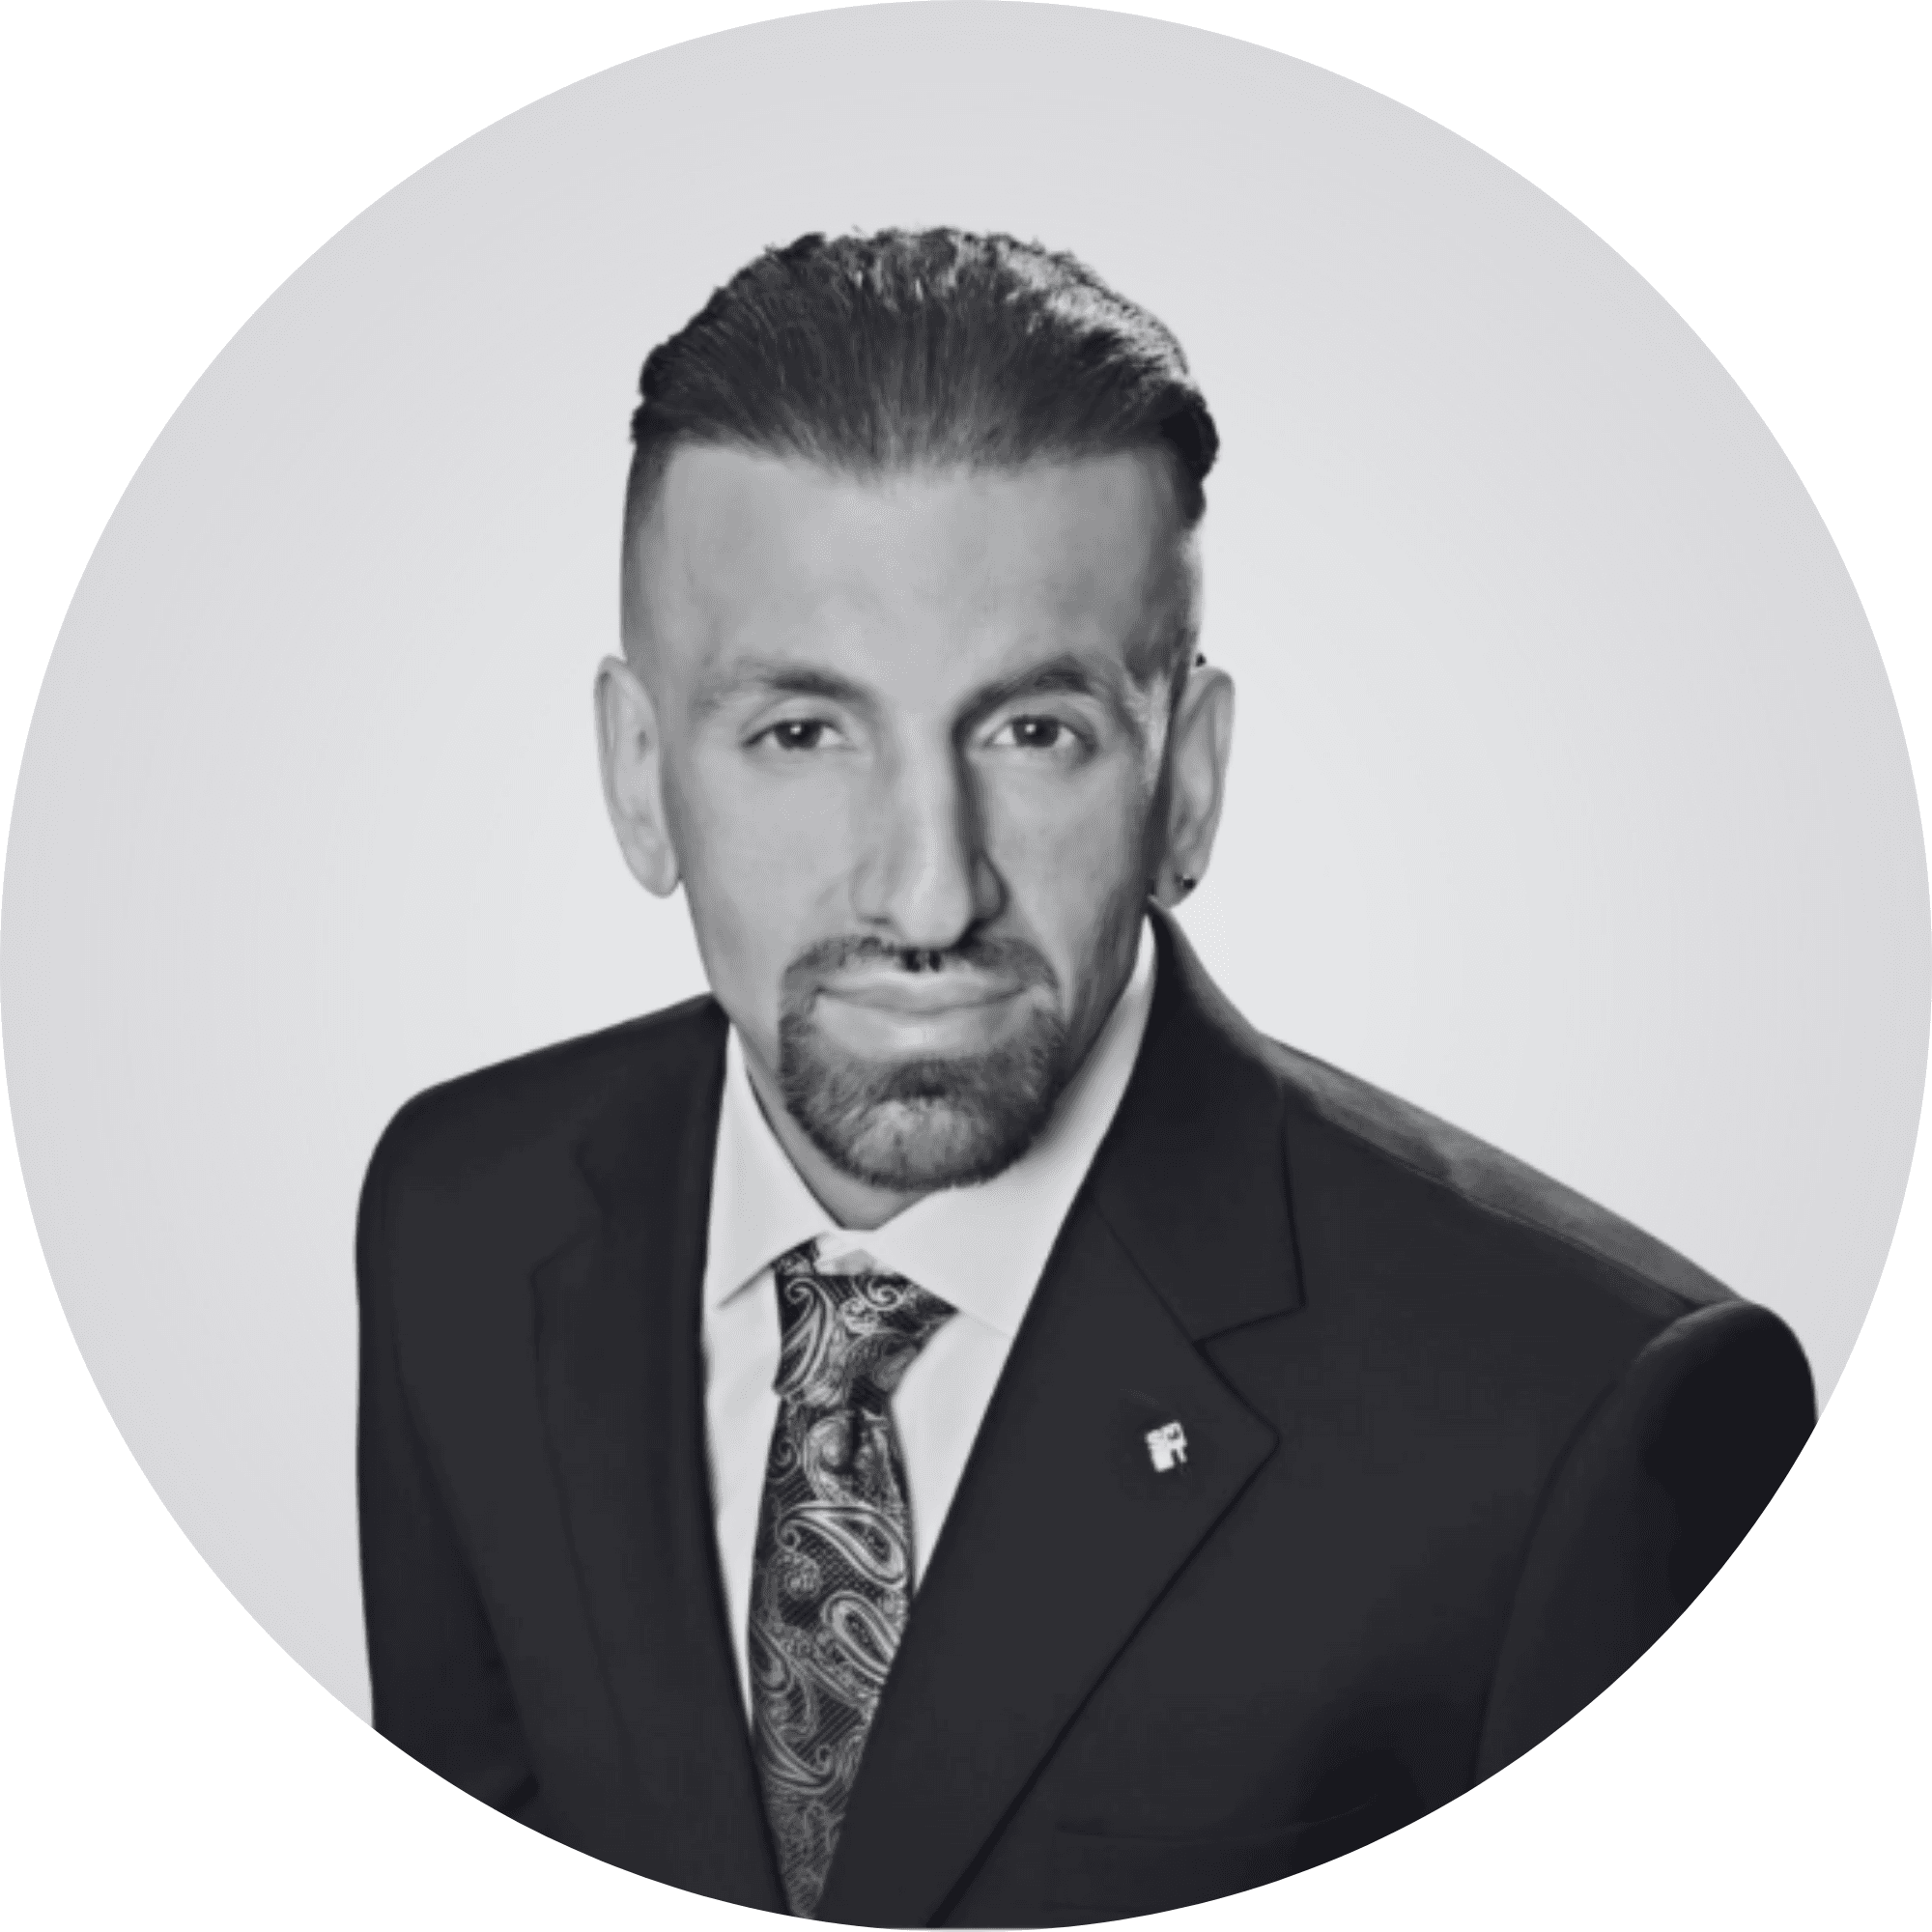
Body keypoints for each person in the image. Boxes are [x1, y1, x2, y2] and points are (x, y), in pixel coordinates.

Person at [356, 229, 1814, 1927]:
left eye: (1031, 732)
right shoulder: (462, 1214)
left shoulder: (1599, 1421)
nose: (924, 895)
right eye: (801, 734)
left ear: (1186, 785)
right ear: (635, 776)